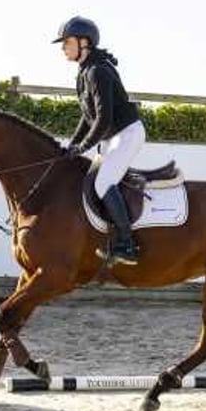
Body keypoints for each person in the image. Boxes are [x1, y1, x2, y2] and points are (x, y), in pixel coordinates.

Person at [53, 16, 146, 265]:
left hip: (127, 134)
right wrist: (71, 144)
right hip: (112, 137)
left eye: (66, 42)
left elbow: (103, 120)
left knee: (104, 182)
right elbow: (88, 118)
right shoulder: (84, 73)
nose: (63, 47)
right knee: (92, 180)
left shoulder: (98, 72)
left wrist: (82, 148)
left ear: (84, 42)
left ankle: (127, 244)